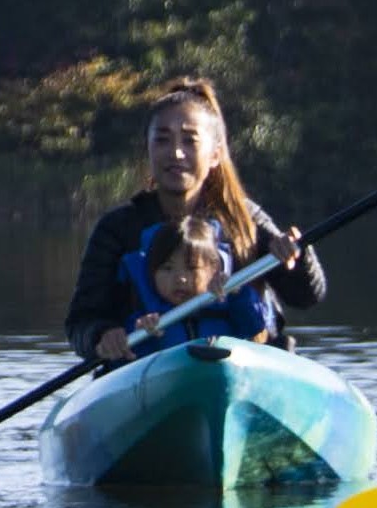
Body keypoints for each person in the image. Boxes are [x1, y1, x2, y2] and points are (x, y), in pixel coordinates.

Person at [65, 76, 326, 368]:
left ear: (215, 154)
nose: (176, 153)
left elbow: (306, 296)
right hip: (150, 371)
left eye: (190, 141)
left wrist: (296, 256)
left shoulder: (245, 219)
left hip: (246, 369)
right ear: (147, 148)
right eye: (162, 140)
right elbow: (81, 322)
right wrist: (102, 335)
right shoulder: (117, 228)